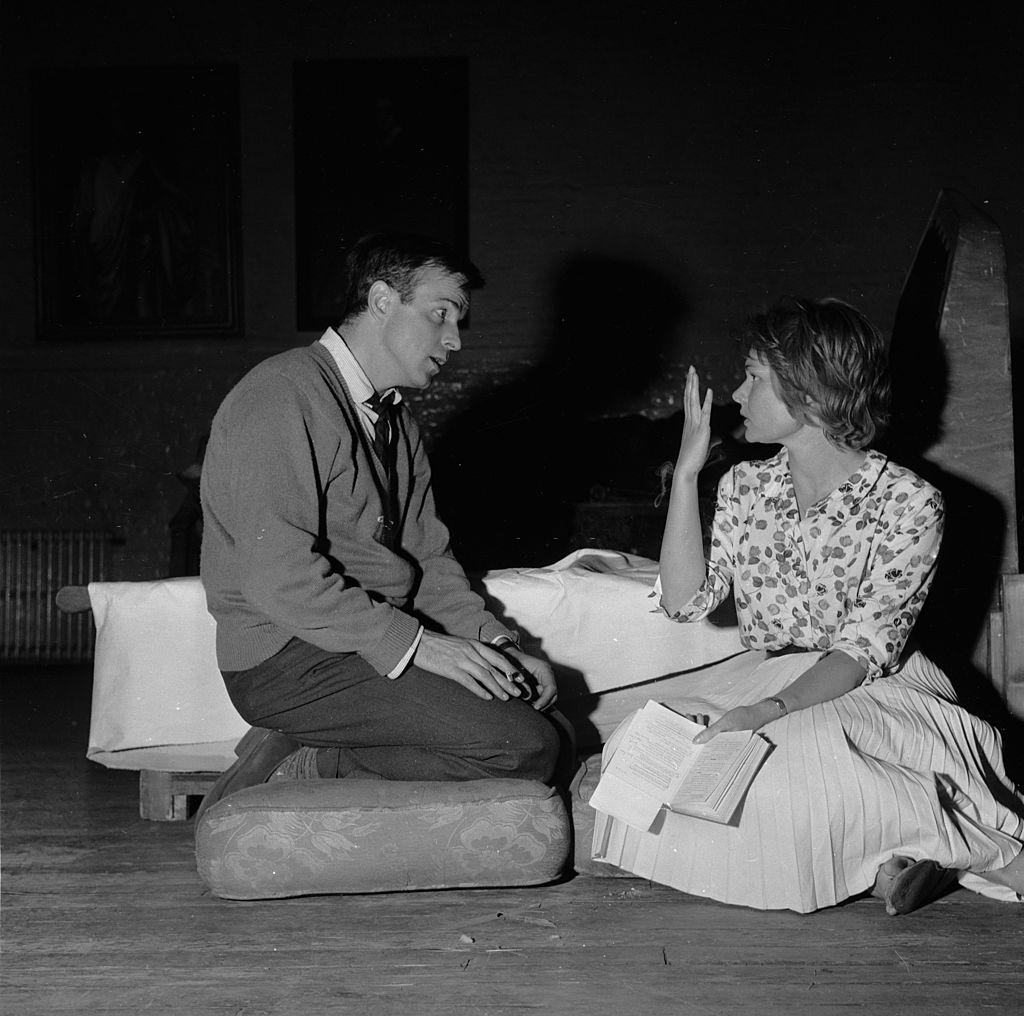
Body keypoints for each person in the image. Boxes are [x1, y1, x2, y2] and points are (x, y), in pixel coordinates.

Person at [639, 296, 1024, 913]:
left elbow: (863, 649)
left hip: (870, 685)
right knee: (665, 756)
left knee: (804, 762)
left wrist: (767, 710)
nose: (737, 393)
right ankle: (898, 861)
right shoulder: (744, 485)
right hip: (773, 674)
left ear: (812, 394)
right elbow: (687, 604)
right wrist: (686, 477)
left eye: (755, 376)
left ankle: (968, 853)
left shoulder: (909, 501)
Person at [197, 232, 562, 818]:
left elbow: (430, 565)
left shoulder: (395, 419)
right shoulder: (278, 395)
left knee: (550, 725)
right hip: (288, 659)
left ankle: (336, 743)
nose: (455, 340)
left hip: (362, 644)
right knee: (524, 746)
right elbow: (278, 579)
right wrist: (421, 648)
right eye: (441, 314)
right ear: (382, 299)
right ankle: (311, 759)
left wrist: (495, 644)